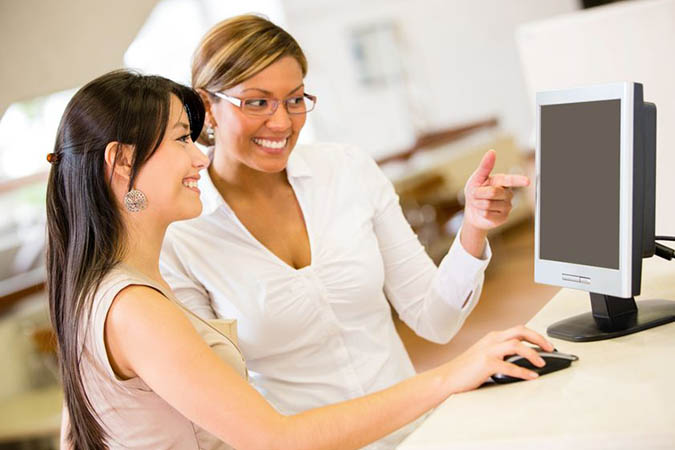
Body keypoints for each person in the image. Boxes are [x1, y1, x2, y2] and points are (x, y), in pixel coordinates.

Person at [49, 69, 551, 450]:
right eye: (183, 138)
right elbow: (276, 439)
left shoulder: (112, 288)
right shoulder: (134, 305)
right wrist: (450, 375)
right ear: (120, 164)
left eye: (295, 99)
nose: (198, 156)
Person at [159, 14, 533, 448]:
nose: (281, 123)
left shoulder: (347, 169)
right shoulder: (181, 234)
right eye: (257, 102)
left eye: (295, 99)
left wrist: (473, 228)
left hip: (419, 433)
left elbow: (435, 319)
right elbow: (222, 406)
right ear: (208, 106)